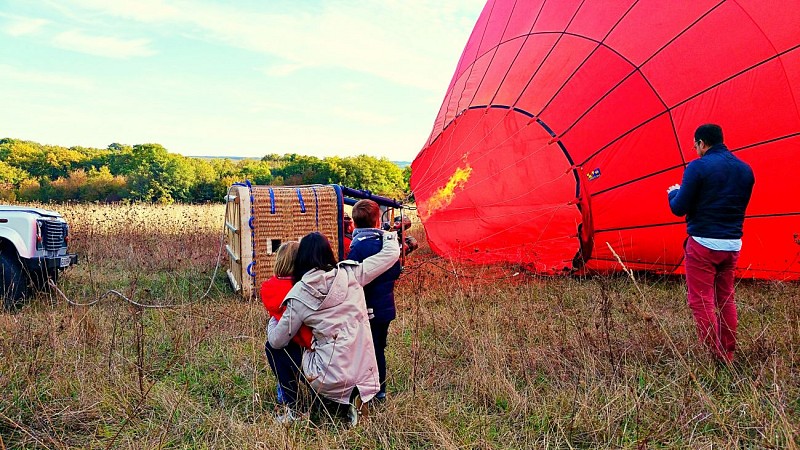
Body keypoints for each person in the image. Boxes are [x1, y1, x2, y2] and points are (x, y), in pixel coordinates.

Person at [267, 230, 400, 426]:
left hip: (328, 376)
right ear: (329, 252)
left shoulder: (300, 294)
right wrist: (386, 234)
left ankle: (293, 409)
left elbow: (277, 341)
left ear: (301, 259)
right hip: (363, 370)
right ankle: (353, 398)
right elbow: (389, 255)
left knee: (273, 348)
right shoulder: (352, 275)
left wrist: (273, 318)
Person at [667, 123, 755, 364]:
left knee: (701, 300)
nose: (695, 150)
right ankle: (727, 352)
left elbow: (678, 208)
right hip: (732, 245)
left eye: (695, 146)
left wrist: (673, 192)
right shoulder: (746, 170)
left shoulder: (698, 167)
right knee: (725, 298)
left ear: (701, 143)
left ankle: (714, 356)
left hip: (703, 244)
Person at [347, 199, 401, 401]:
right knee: (379, 348)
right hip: (385, 306)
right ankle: (380, 389)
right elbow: (395, 271)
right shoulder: (386, 245)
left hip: (365, 307)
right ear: (378, 220)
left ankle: (365, 389)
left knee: (363, 350)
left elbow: (351, 279)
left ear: (354, 223)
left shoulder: (358, 248)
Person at [260, 242, 313, 422]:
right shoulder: (305, 286)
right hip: (317, 347)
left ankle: (292, 404)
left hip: (299, 346)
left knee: (273, 348)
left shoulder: (270, 288)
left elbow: (278, 332)